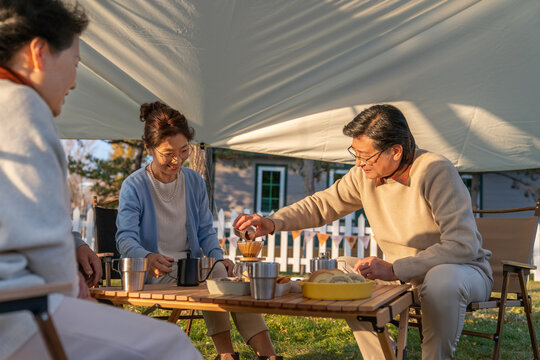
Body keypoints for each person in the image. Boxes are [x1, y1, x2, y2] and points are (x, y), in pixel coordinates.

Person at [0, 1, 202, 359]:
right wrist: (72, 285)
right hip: (20, 317)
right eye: (74, 64)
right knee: (172, 345)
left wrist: (73, 246)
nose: (74, 81)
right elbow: (47, 257)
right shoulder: (22, 108)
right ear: (39, 52)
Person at [234, 104, 493, 360]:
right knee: (341, 270)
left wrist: (394, 269)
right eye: (355, 153)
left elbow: (462, 245)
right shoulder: (362, 175)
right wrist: (272, 222)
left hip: (460, 270)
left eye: (365, 156)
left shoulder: (435, 169)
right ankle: (383, 356)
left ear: (395, 151)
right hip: (400, 274)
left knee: (441, 279)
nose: (358, 162)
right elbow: (321, 204)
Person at [116, 101, 282, 360]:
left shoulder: (193, 181)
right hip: (159, 272)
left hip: (194, 269)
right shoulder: (134, 186)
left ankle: (268, 355)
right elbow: (125, 238)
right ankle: (227, 355)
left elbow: (205, 230)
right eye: (167, 153)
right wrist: (147, 258)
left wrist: (218, 257)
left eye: (183, 151)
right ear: (149, 148)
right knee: (214, 279)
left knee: (222, 275)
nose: (177, 160)